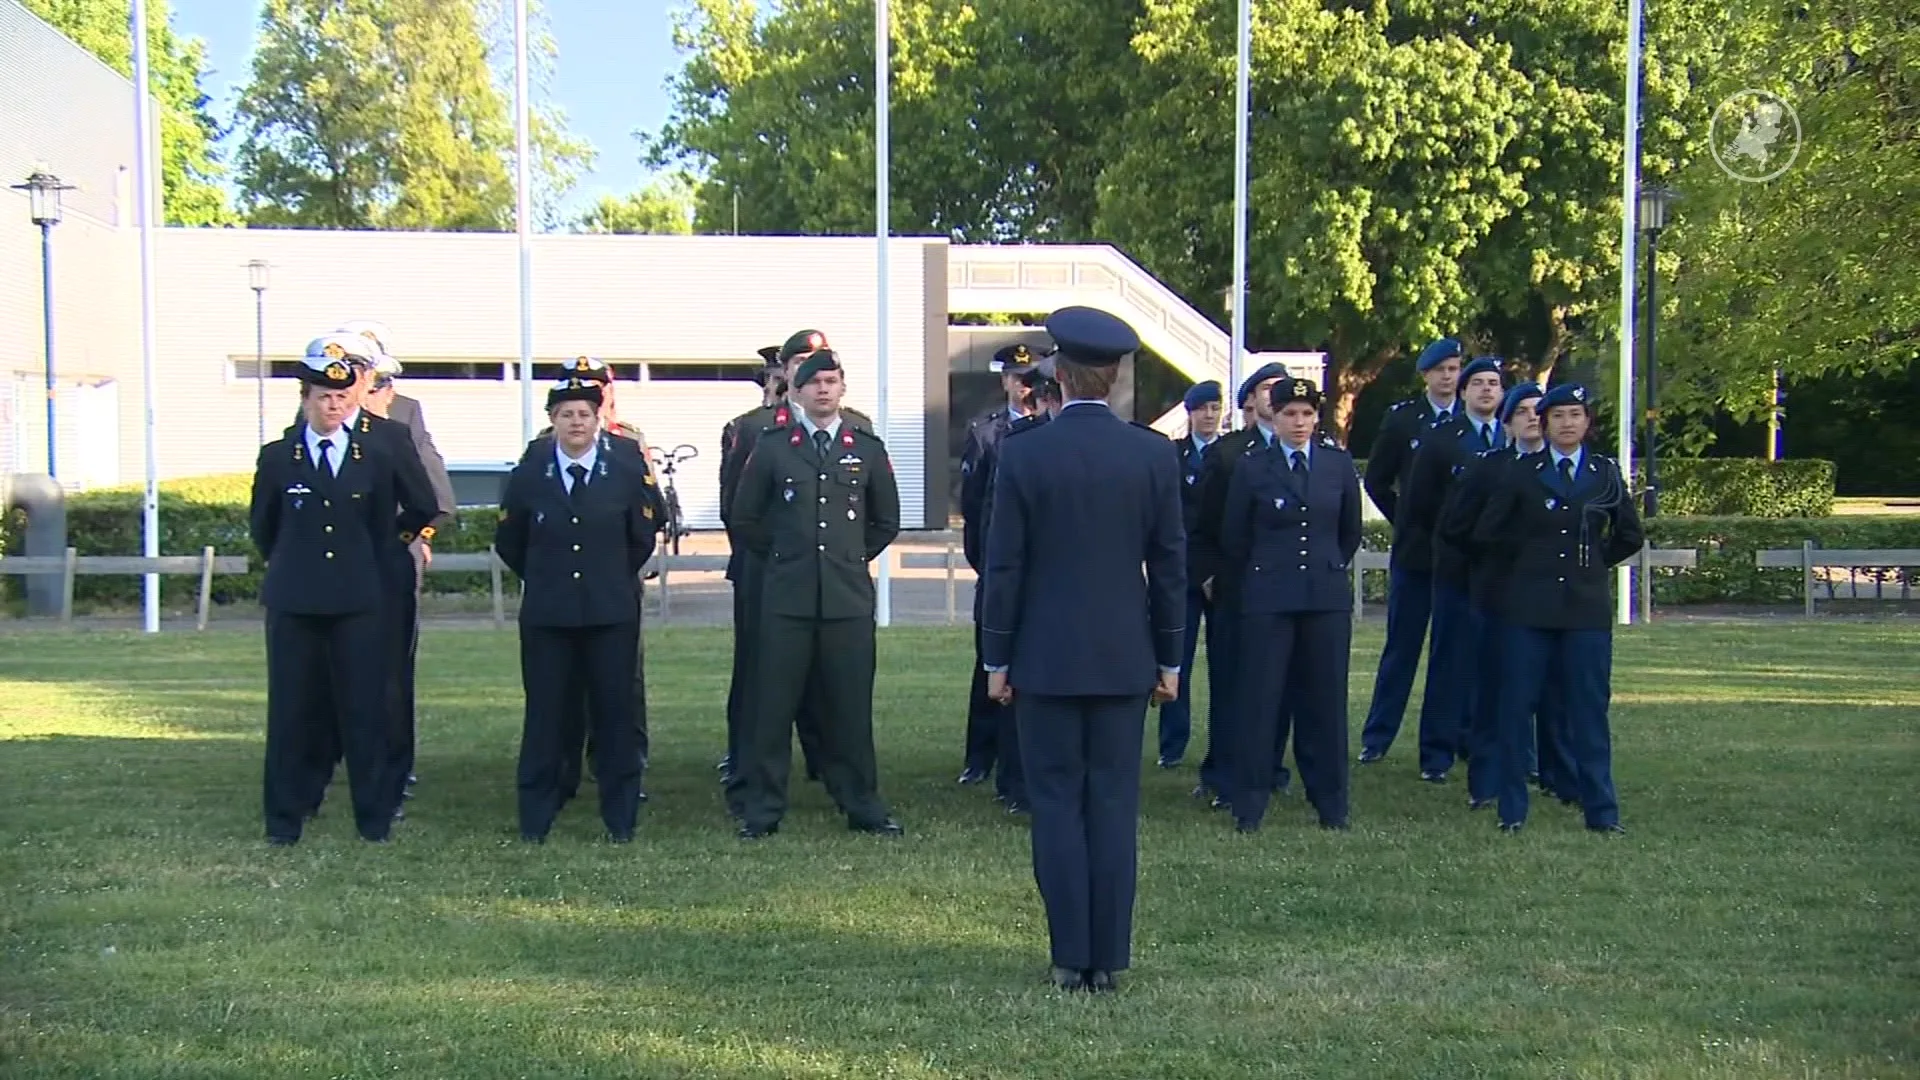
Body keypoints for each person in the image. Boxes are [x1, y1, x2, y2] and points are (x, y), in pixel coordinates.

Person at [980, 305, 1186, 993]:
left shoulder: (1025, 452)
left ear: (1059, 376)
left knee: (1057, 806)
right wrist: (1169, 659)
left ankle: (1071, 955)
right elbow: (1170, 566)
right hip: (1125, 657)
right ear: (1115, 377)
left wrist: (997, 659)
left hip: (1045, 659)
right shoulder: (1152, 454)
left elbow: (1005, 566)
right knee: (1113, 808)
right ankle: (1108, 958)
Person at [249, 337, 439, 845]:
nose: (333, 406)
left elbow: (422, 504)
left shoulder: (385, 443)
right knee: (292, 711)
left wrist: (386, 549)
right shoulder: (279, 456)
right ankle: (285, 819)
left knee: (366, 709)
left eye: (341, 397)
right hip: (296, 600)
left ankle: (373, 818)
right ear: (306, 399)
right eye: (323, 397)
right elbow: (265, 527)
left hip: (363, 598)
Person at [728, 348, 903, 839]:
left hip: (846, 600)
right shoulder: (772, 446)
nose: (823, 389)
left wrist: (847, 557)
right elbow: (745, 517)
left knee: (849, 708)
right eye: (814, 383)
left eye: (831, 381)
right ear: (797, 391)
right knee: (772, 708)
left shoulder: (866, 447)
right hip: (787, 599)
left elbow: (885, 519)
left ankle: (862, 804)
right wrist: (786, 554)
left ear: (842, 387)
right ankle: (763, 810)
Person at [1472, 383, 1643, 835]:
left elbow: (1629, 534)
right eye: (1558, 416)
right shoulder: (1522, 472)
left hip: (1584, 611)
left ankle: (1601, 812)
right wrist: (1528, 566)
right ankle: (1512, 808)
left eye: (1575, 415)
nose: (1567, 423)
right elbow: (1488, 532)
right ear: (1544, 423)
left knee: (1588, 710)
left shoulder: (1605, 474)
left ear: (1588, 422)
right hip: (1528, 610)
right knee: (1516, 707)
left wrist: (1594, 563)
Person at [494, 375, 658, 843]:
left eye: (585, 414)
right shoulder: (530, 474)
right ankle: (536, 817)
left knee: (615, 715)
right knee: (546, 716)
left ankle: (620, 818)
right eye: (566, 414)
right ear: (553, 421)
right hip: (549, 616)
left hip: (610, 614)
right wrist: (550, 578)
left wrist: (606, 578)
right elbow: (511, 541)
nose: (576, 422)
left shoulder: (624, 471)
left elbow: (641, 537)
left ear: (598, 419)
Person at [1218, 377, 1362, 831]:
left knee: (1325, 702)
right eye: (1289, 414)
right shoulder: (1252, 467)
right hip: (1269, 597)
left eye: (1307, 413)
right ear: (1274, 417)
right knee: (1261, 701)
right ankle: (1250, 802)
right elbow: (1235, 536)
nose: (1299, 422)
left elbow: (1349, 532)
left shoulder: (1337, 465)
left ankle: (1331, 804)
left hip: (1324, 597)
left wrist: (1324, 567)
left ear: (1317, 418)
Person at [1437, 381, 1568, 810]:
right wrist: (1491, 558)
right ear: (1507, 422)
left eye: (1538, 411)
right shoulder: (1488, 468)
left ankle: (1556, 775)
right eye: (1523, 411)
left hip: (1553, 597)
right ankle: (1487, 780)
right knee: (1494, 691)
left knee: (1555, 691)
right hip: (1498, 595)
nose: (1532, 418)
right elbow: (1456, 527)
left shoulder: (1563, 469)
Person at [344, 322, 457, 813]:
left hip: (391, 552)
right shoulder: (317, 412)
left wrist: (416, 537)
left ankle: (394, 762)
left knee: (391, 666)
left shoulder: (403, 413)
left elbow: (433, 492)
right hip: (332, 561)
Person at [1188, 362, 1294, 809]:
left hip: (1289, 588)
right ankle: (1224, 773)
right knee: (1232, 683)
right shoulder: (1228, 454)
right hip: (1237, 588)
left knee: (1282, 684)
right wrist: (1210, 577)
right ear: (1250, 399)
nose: (1275, 395)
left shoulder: (1308, 449)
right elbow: (1201, 524)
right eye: (1266, 388)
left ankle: (1270, 767)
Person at [1396, 355, 1507, 782]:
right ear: (1464, 392)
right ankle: (1436, 753)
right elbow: (1418, 505)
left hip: (1500, 574)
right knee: (1450, 661)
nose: (1486, 389)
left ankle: (1478, 743)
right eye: (1478, 382)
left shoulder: (1511, 437)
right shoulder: (1442, 439)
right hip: (1455, 568)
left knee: (1494, 663)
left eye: (1493, 383)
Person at [964, 355, 1064, 815]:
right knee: (1001, 675)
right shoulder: (1008, 442)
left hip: (1054, 583)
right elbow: (982, 511)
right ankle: (1005, 773)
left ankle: (1031, 775)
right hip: (1011, 576)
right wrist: (992, 568)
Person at [1358, 337, 1465, 764]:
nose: (1448, 377)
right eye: (1441, 370)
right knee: (1402, 649)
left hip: (1460, 557)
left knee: (1453, 652)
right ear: (1425, 375)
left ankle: (1451, 738)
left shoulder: (1471, 420)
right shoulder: (1404, 420)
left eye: (1454, 369)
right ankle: (1377, 737)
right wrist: (1405, 518)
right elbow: (1377, 479)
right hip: (1416, 553)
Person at [957, 343, 1037, 785]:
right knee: (988, 661)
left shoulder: (1050, 428)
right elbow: (974, 505)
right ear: (1004, 380)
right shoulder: (987, 432)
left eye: (1029, 378)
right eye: (1015, 377)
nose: (1022, 386)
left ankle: (1017, 758)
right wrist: (987, 562)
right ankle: (979, 756)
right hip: (996, 562)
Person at [1161, 379, 1224, 769]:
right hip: (1183, 573)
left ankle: (1223, 741)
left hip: (1220, 575)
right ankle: (1172, 745)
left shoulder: (1232, 455)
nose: (1210, 415)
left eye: (1215, 408)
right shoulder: (1174, 455)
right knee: (1175, 660)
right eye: (1203, 409)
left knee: (1224, 663)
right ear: (1190, 412)